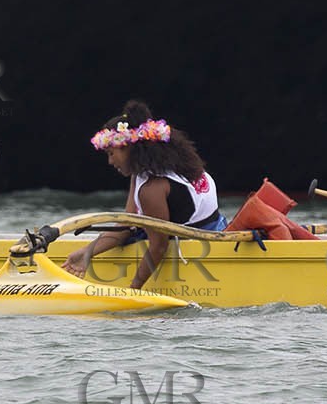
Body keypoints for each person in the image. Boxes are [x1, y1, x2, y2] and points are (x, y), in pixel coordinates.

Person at [61, 101, 224, 290]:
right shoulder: (172, 166)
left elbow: (158, 247)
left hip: (199, 248)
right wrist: (87, 252)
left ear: (129, 148)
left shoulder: (152, 189)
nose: (110, 161)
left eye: (111, 153)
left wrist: (134, 289)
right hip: (216, 228)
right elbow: (127, 222)